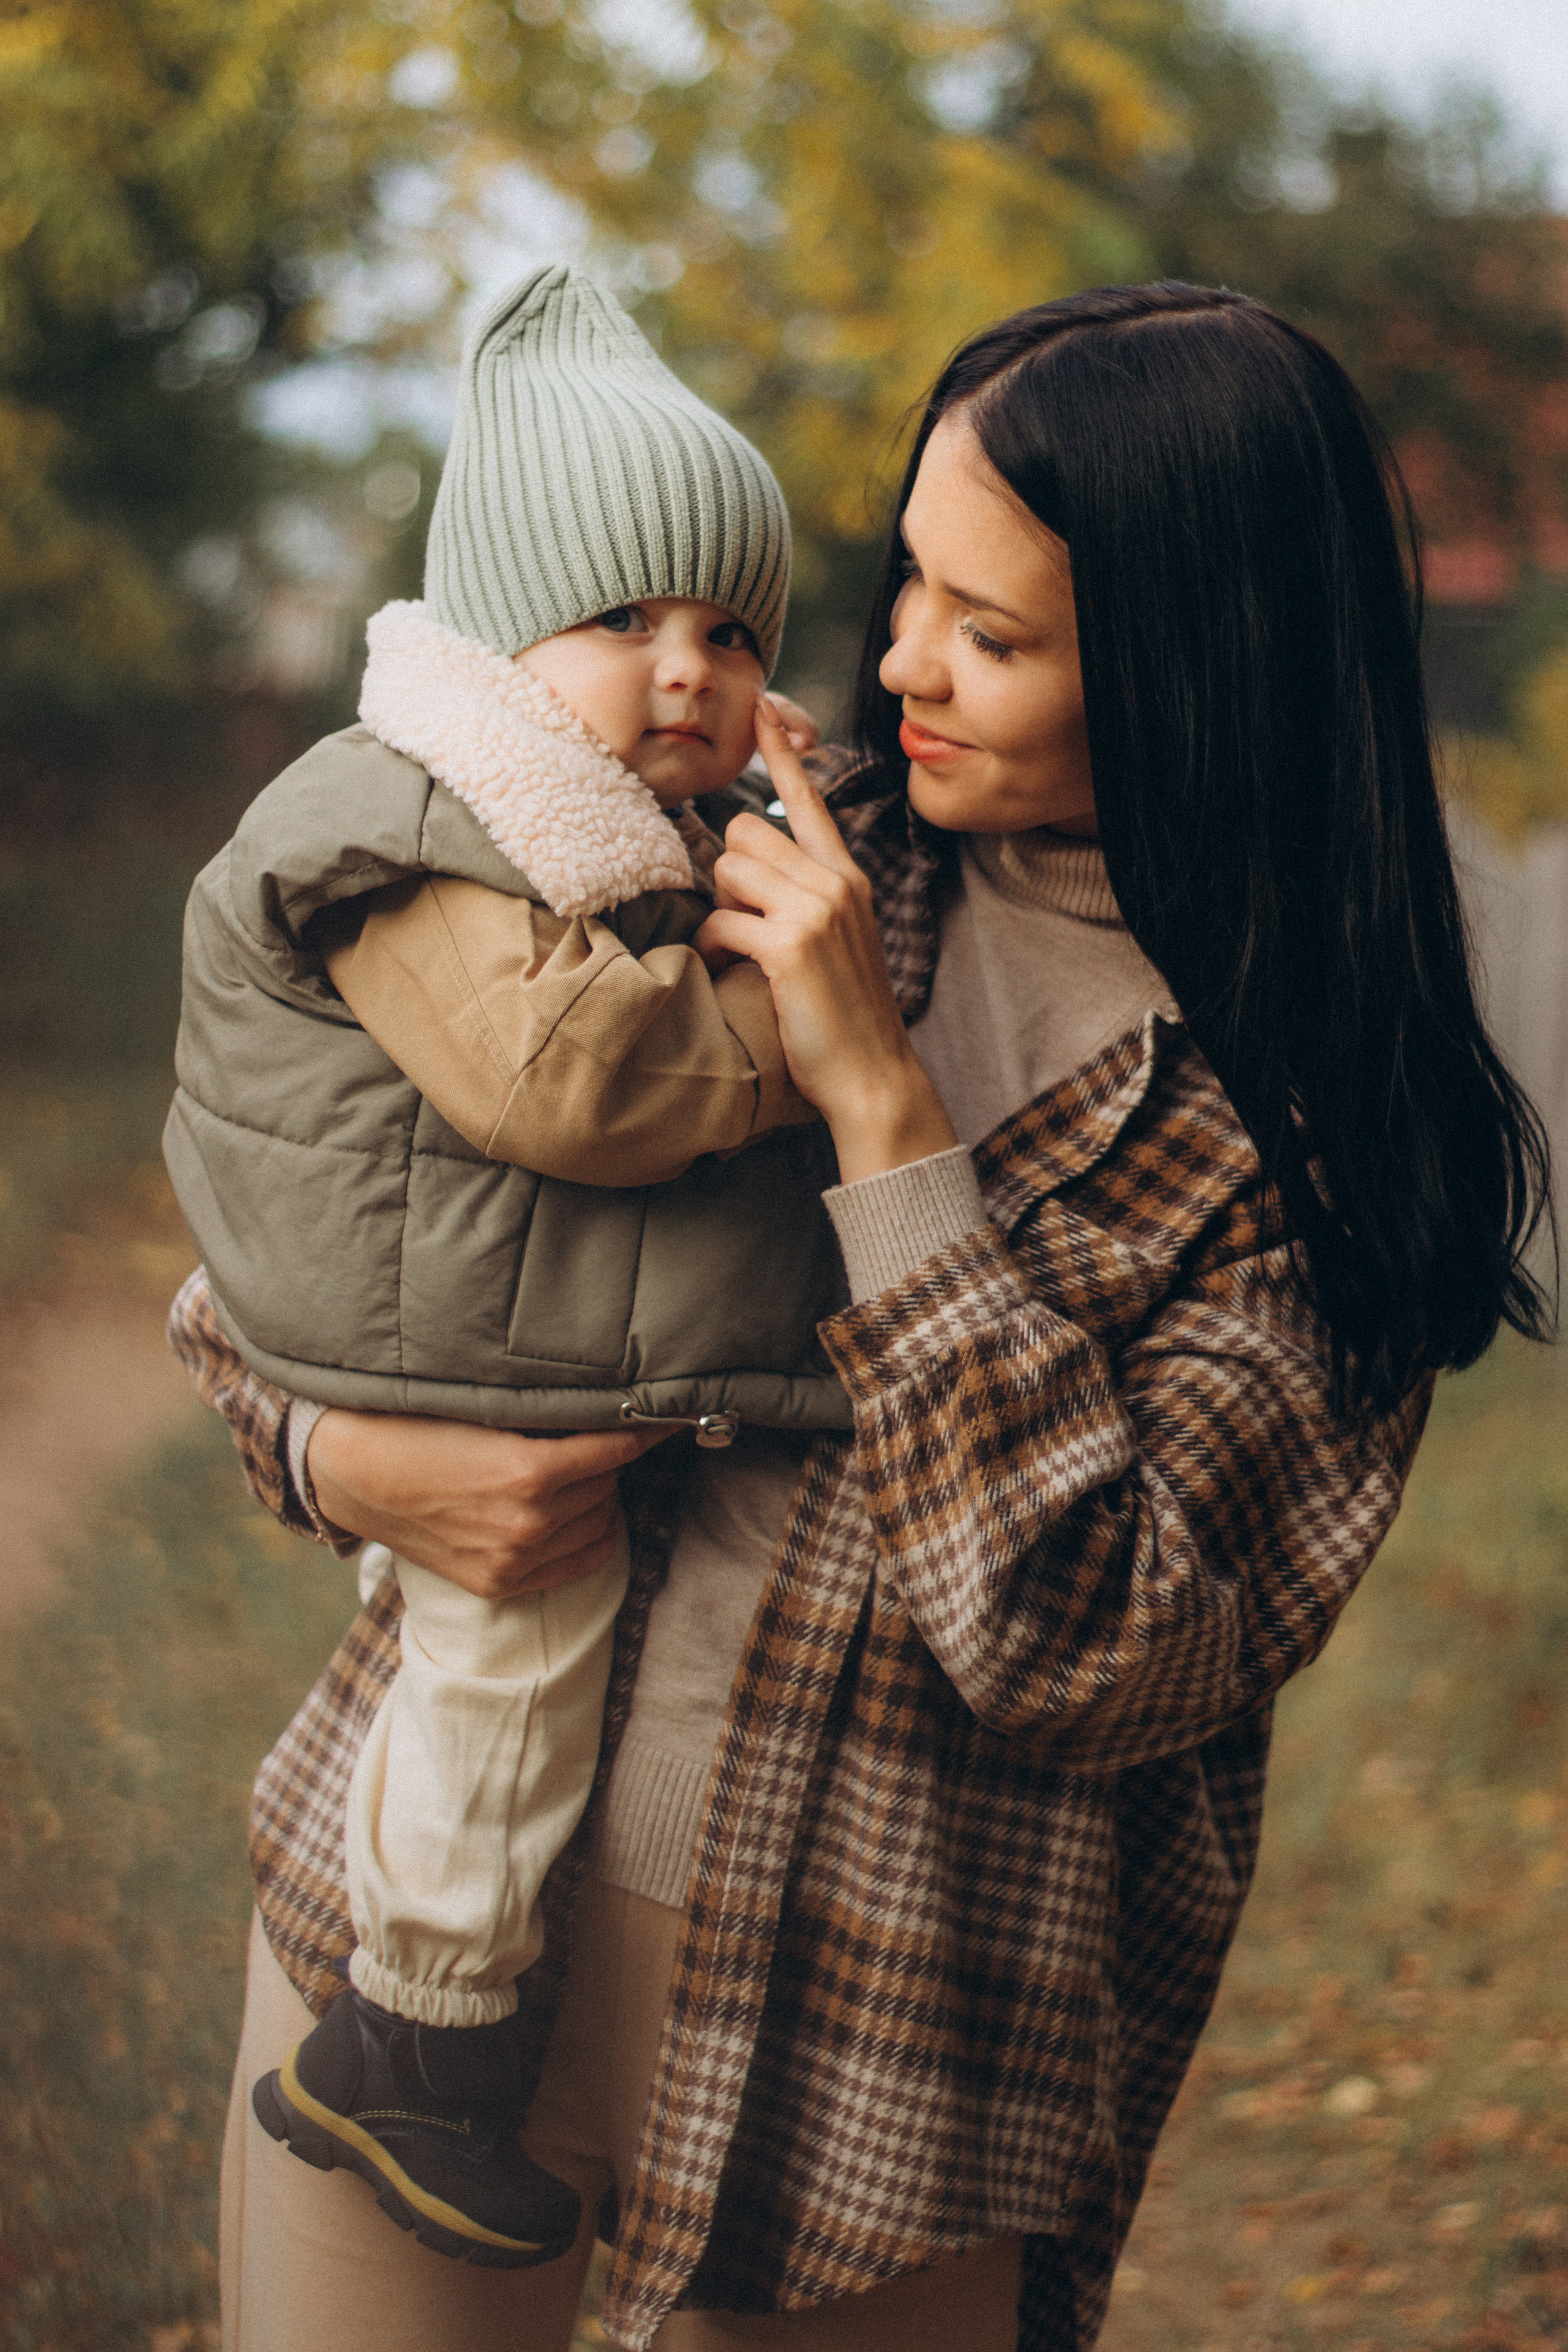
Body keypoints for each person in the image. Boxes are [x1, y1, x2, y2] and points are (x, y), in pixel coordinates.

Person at [172, 281, 1555, 2352]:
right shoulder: (725, 849)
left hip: (882, 2095)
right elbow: (319, 1227)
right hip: (418, 1972)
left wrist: (887, 1116)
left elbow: (1097, 1645)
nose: (900, 662)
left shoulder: (1316, 1149)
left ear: (1196, 671)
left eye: (990, 634)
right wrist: (337, 1458)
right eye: (908, 580)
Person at [164, 263, 846, 2268]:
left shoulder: (559, 805)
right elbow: (572, 1080)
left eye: (731, 634)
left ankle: (424, 2014)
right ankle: (419, 2042)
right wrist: (800, 1032)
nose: (687, 672)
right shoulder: (417, 828)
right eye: (624, 619)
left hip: (442, 1306)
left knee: (492, 1646)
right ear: (491, 637)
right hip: (415, 1334)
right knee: (514, 1647)